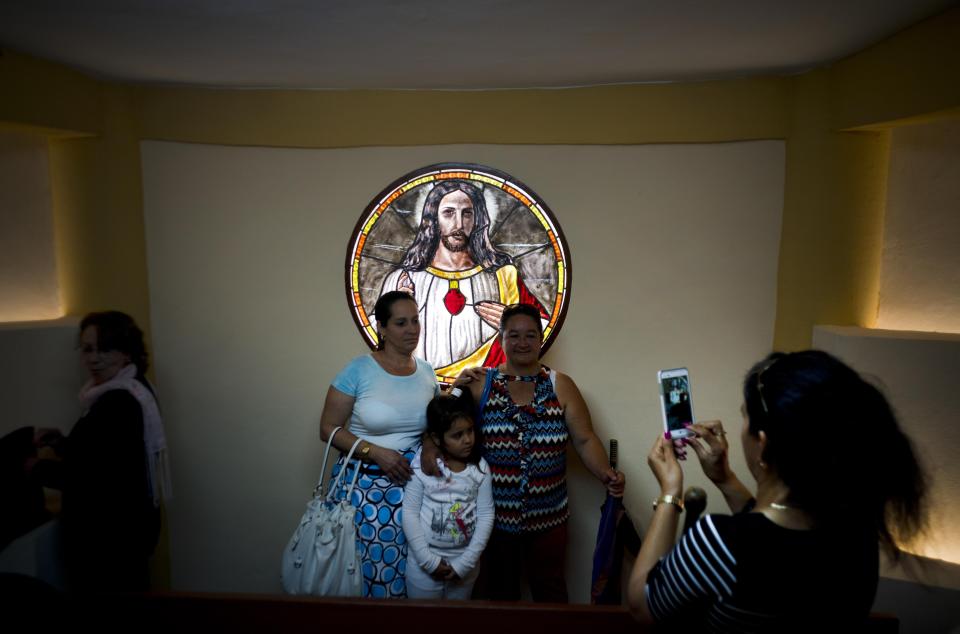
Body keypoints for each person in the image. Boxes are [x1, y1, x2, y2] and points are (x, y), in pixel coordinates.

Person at [627, 350, 928, 630]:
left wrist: (670, 491)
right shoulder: (858, 536)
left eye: (744, 416)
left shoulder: (719, 542)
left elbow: (643, 605)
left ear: (763, 441)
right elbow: (772, 536)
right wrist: (725, 478)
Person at [436, 302, 625, 602]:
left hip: (549, 519)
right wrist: (454, 390)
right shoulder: (480, 383)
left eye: (530, 335)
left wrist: (606, 474)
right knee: (497, 595)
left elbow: (585, 439)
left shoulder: (559, 384)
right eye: (514, 335)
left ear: (541, 339)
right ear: (501, 339)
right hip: (492, 520)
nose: (522, 342)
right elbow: (444, 429)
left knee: (550, 592)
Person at [28, 311, 169, 592]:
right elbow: (103, 457)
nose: (93, 358)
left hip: (107, 539)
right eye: (88, 349)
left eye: (105, 348)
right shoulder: (133, 389)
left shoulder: (118, 401)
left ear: (127, 352)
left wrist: (36, 468)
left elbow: (92, 477)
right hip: (124, 533)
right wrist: (62, 444)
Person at [319, 291, 439, 598]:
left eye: (415, 320)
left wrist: (427, 446)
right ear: (382, 328)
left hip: (414, 492)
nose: (412, 329)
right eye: (401, 323)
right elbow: (328, 429)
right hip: (363, 491)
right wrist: (375, 453)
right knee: (366, 575)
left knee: (414, 574)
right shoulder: (358, 370)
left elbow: (434, 427)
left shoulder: (427, 373)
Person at [379, 180, 548, 379]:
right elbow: (382, 335)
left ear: (478, 220)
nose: (458, 224)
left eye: (467, 213)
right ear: (433, 219)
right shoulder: (403, 279)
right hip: (422, 386)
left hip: (489, 391)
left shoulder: (504, 275)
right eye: (449, 213)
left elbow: (541, 326)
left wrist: (510, 323)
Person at [402, 390, 494, 599]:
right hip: (423, 568)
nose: (468, 440)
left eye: (470, 431)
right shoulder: (422, 466)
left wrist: (466, 563)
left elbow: (486, 516)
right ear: (436, 437)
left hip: (464, 567)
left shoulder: (479, 468)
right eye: (457, 435)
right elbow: (409, 513)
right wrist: (428, 561)